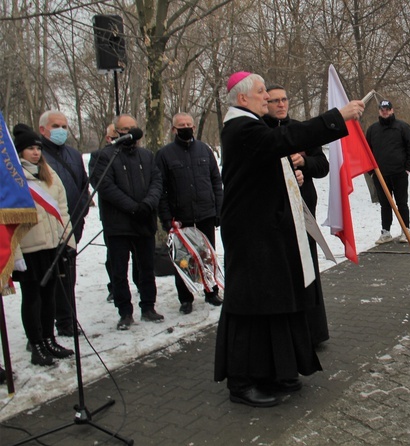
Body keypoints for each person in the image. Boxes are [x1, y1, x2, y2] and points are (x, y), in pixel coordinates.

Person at [214, 71, 364, 407]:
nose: (267, 96)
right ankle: (240, 382)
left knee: (270, 301)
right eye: (261, 91)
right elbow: (286, 138)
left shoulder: (250, 125)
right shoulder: (241, 128)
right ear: (242, 98)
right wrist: (337, 117)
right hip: (250, 233)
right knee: (248, 304)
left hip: (266, 229)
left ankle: (271, 371)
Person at [262, 85, 330, 346]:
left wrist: (304, 163)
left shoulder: (302, 131)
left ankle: (314, 331)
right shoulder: (261, 132)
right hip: (274, 213)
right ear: (266, 104)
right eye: (275, 100)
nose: (281, 104)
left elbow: (322, 166)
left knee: (308, 265)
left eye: (284, 100)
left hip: (304, 209)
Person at [89, 114, 164, 331]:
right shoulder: (104, 156)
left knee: (147, 267)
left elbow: (157, 181)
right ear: (116, 132)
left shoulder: (147, 156)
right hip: (118, 224)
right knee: (119, 270)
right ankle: (125, 312)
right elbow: (105, 187)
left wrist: (147, 204)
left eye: (133, 127)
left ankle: (148, 306)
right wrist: (132, 207)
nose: (130, 132)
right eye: (125, 129)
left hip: (144, 220)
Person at [11, 124, 75, 366]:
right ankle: (36, 344)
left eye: (38, 148)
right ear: (20, 152)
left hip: (51, 245)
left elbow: (62, 210)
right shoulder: (13, 179)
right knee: (32, 298)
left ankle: (49, 339)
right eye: (30, 148)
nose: (36, 152)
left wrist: (68, 240)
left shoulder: (48, 174)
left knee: (50, 296)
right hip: (28, 249)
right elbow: (9, 222)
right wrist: (15, 254)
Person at [155, 112, 223, 315]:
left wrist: (218, 209)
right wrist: (166, 219)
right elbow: (161, 190)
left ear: (194, 127)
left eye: (189, 124)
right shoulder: (165, 155)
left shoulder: (204, 150)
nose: (186, 127)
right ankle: (185, 298)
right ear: (174, 129)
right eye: (181, 125)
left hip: (205, 214)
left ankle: (211, 291)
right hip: (180, 218)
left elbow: (215, 181)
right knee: (183, 260)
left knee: (207, 256)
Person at [38, 110, 90, 337]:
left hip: (72, 225)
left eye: (64, 126)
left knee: (68, 276)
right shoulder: (36, 155)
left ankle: (67, 320)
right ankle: (43, 328)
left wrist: (81, 213)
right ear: (43, 129)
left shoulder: (73, 154)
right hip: (45, 228)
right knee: (47, 279)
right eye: (55, 125)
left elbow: (83, 185)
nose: (61, 130)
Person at [365, 99, 410, 244]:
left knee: (402, 203)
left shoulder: (402, 127)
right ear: (379, 111)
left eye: (387, 109)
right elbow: (366, 151)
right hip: (380, 175)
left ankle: (405, 231)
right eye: (382, 109)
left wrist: (407, 168)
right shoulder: (372, 130)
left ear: (392, 110)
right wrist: (372, 172)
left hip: (399, 173)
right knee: (385, 204)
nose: (385, 111)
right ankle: (386, 232)